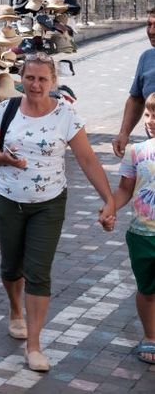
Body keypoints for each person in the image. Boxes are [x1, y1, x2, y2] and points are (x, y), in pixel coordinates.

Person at [0, 53, 115, 372]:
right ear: (21, 78)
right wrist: (4, 158)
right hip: (7, 199)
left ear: (52, 81)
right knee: (11, 265)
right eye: (30, 78)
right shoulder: (7, 109)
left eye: (42, 79)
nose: (36, 85)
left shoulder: (66, 114)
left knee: (39, 272)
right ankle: (16, 311)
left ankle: (35, 345)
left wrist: (108, 199)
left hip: (49, 203)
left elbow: (87, 160)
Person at [103, 92, 155, 365]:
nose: (150, 120)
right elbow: (125, 189)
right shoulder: (136, 152)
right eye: (148, 114)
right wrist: (110, 207)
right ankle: (150, 335)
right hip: (142, 234)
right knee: (147, 288)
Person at [113, 10, 155, 158]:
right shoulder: (147, 58)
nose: (151, 31)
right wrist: (124, 133)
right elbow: (136, 99)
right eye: (149, 25)